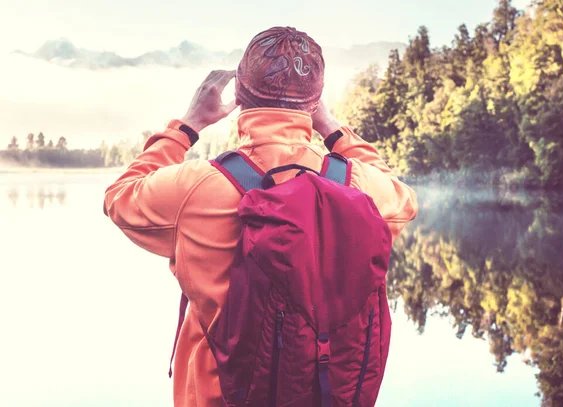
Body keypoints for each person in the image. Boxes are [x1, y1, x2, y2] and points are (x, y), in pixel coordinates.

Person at [104, 26, 418, 407]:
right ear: (314, 102)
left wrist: (187, 127)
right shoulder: (358, 186)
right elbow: (403, 200)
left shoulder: (197, 187)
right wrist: (332, 128)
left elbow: (120, 198)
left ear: (238, 94)